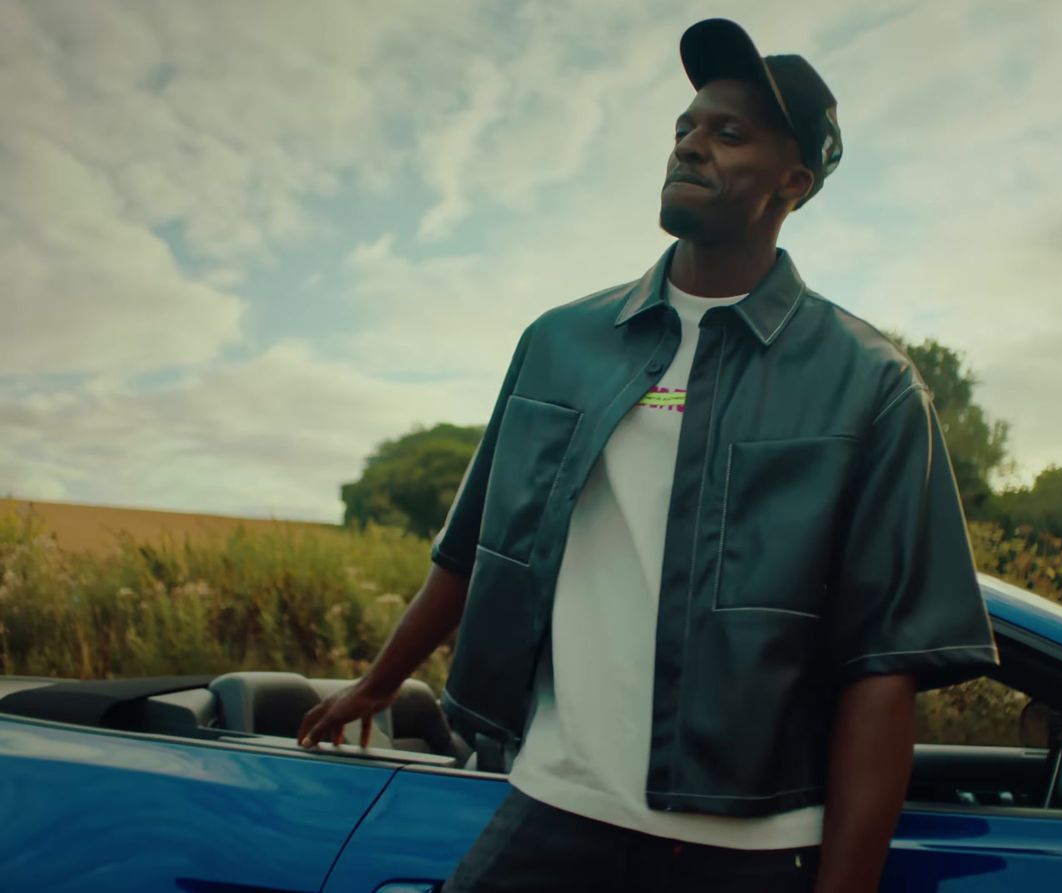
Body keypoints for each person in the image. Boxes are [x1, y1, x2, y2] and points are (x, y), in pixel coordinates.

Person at [299, 18, 999, 893]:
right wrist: (378, 680)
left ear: (796, 181)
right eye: (685, 128)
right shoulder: (560, 343)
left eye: (729, 133)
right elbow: (477, 544)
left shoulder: (872, 385)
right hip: (549, 808)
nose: (692, 146)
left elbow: (883, 667)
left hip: (747, 848)